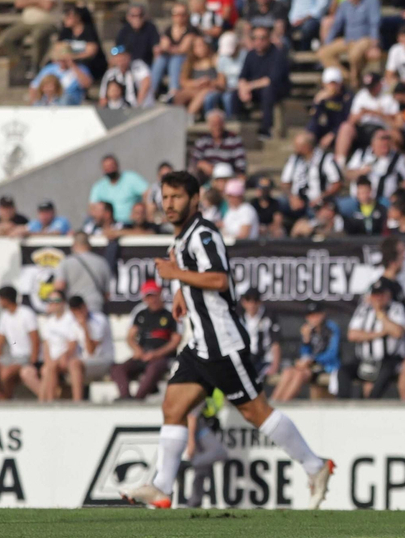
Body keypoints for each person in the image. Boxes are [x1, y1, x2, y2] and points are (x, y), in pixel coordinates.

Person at [121, 171, 335, 509]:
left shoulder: (203, 234)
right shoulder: (181, 238)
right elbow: (195, 276)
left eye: (177, 197)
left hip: (222, 343)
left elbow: (219, 279)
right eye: (166, 197)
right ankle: (161, 487)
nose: (169, 204)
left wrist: (177, 275)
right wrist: (181, 292)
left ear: (195, 199)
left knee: (256, 412)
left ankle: (315, 466)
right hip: (199, 343)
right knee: (173, 406)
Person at [111, 280, 180, 401]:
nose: (152, 300)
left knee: (153, 368)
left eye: (154, 296)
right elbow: (130, 337)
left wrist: (156, 354)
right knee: (118, 369)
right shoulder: (140, 313)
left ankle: (138, 399)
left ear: (160, 294)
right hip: (143, 354)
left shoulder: (170, 312)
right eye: (149, 297)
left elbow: (176, 341)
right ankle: (125, 397)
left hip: (164, 357)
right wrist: (137, 350)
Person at [346, 279, 405, 400]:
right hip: (365, 359)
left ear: (388, 295)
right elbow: (352, 335)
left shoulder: (396, 308)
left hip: (390, 359)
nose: (378, 298)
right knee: (343, 371)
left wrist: (380, 313)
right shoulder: (364, 309)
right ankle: (343, 405)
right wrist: (379, 334)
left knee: (383, 373)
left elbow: (397, 332)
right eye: (375, 294)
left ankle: (371, 403)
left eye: (381, 294)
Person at [273, 302, 342, 402]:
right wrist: (306, 340)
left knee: (300, 375)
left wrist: (312, 360)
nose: (313, 318)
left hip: (327, 367)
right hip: (309, 366)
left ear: (322, 314)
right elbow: (304, 354)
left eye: (316, 315)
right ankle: (272, 404)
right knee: (288, 372)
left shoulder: (331, 328)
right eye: (310, 315)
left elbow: (332, 354)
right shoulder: (308, 330)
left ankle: (283, 405)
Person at [0, 286, 39, 400]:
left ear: (6, 299)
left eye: (0, 299)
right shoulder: (4, 316)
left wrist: (33, 362)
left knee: (5, 374)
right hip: (11, 356)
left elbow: (35, 339)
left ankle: (8, 399)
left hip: (25, 356)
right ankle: (2, 399)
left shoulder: (26, 313)